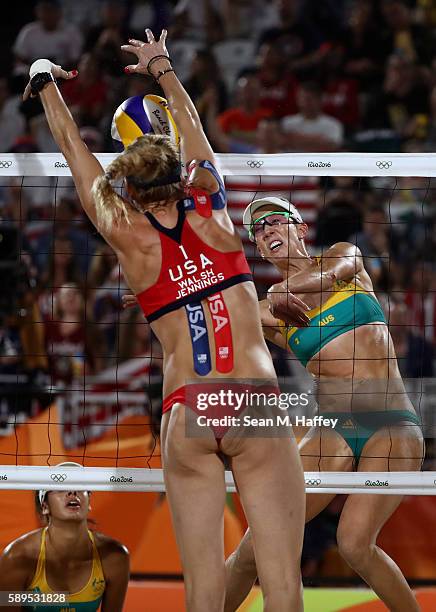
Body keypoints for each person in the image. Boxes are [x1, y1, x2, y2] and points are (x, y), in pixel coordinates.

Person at [22, 29, 305, 611]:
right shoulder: (212, 209)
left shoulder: (126, 235)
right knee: (281, 583)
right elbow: (194, 127)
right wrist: (162, 68)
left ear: (125, 186)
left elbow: (75, 155)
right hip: (252, 400)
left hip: (188, 407)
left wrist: (46, 81)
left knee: (202, 592)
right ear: (181, 173)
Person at [223, 197, 424, 612]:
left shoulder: (340, 255)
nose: (267, 231)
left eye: (276, 222)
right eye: (259, 231)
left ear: (300, 229)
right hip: (331, 428)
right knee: (254, 546)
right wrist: (159, 301)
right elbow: (215, 312)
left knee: (354, 544)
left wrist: (282, 289)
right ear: (259, 250)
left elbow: (335, 271)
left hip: (391, 425)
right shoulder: (270, 314)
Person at [0, 462, 129, 611]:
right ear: (45, 506)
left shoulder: (114, 557)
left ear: (89, 503)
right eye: (60, 487)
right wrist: (55, 599)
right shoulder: (16, 557)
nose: (72, 491)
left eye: (80, 486)